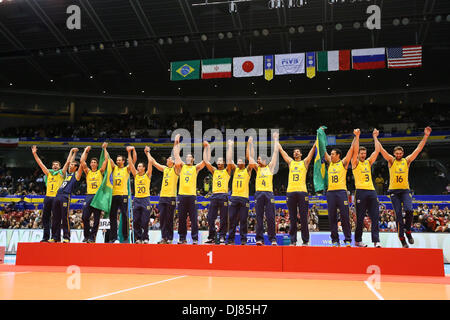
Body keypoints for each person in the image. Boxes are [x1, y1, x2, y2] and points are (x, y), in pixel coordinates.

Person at [379, 126, 432, 248]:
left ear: (402, 153)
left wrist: (426, 136)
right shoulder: (391, 161)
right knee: (398, 215)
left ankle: (408, 231)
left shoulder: (407, 161)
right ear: (394, 154)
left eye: (400, 153)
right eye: (396, 153)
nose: (398, 154)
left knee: (409, 210)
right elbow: (381, 150)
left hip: (405, 191)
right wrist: (375, 138)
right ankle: (402, 239)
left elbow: (418, 149)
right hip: (393, 192)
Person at [277, 140, 316, 246]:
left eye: (298, 151)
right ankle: (293, 241)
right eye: (294, 152)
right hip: (290, 192)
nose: (296, 153)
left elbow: (312, 151)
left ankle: (305, 241)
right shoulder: (291, 162)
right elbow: (281, 151)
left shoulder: (305, 162)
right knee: (292, 218)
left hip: (302, 192)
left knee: (304, 218)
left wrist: (316, 141)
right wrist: (276, 140)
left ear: (301, 154)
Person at [323, 129, 356, 247]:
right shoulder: (330, 163)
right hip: (330, 193)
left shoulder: (343, 163)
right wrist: (320, 135)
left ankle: (347, 239)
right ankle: (335, 241)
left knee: (345, 216)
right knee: (332, 217)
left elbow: (352, 150)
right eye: (330, 154)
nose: (330, 155)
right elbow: (323, 150)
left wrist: (356, 137)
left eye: (332, 154)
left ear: (338, 155)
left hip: (341, 192)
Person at [351, 129, 382, 248]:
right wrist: (357, 137)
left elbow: (377, 150)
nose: (363, 155)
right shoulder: (355, 163)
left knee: (375, 217)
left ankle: (376, 241)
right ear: (358, 154)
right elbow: (354, 150)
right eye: (361, 153)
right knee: (360, 219)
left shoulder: (368, 162)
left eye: (364, 153)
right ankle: (358, 241)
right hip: (360, 192)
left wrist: (375, 137)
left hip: (372, 192)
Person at [247, 132, 280, 246]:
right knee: (259, 217)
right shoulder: (257, 169)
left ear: (265, 160)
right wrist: (249, 144)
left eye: (260, 159)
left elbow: (275, 152)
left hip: (269, 193)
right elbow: (249, 158)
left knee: (271, 217)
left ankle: (273, 239)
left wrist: (276, 139)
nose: (258, 160)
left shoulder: (270, 167)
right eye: (258, 159)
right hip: (259, 193)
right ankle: (259, 239)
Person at [50, 147, 88, 243]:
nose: (70, 166)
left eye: (72, 165)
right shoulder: (66, 174)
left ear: (75, 167)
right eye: (70, 165)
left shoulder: (76, 174)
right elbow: (69, 161)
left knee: (64, 217)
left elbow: (81, 163)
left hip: (66, 196)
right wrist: (73, 152)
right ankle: (55, 237)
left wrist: (85, 151)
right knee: (55, 217)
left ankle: (66, 237)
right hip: (57, 195)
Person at [173, 134, 206, 244]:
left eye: (189, 157)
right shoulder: (182, 166)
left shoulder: (195, 168)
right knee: (181, 218)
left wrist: (206, 148)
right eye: (186, 157)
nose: (187, 158)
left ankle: (195, 238)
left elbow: (205, 162)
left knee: (193, 218)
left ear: (193, 159)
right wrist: (176, 142)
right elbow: (176, 154)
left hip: (192, 196)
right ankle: (182, 238)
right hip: (182, 195)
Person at [31, 145, 68, 242]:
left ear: (59, 167)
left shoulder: (61, 174)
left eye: (57, 165)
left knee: (56, 218)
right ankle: (45, 237)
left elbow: (67, 163)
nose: (55, 166)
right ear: (52, 166)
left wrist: (72, 153)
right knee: (45, 218)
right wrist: (34, 153)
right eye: (53, 165)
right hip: (48, 197)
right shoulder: (49, 173)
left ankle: (55, 237)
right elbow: (40, 163)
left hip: (57, 198)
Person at [203, 141, 232, 244]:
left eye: (221, 160)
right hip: (214, 196)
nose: (219, 162)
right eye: (218, 160)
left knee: (224, 218)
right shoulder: (214, 171)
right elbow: (206, 161)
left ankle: (222, 236)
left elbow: (229, 160)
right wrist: (207, 148)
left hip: (224, 196)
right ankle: (211, 236)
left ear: (223, 162)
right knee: (210, 217)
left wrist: (229, 146)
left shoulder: (227, 171)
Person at [148, 147, 179, 244]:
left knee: (169, 218)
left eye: (169, 159)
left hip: (171, 197)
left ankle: (169, 238)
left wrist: (176, 145)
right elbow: (154, 162)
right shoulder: (165, 169)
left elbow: (177, 159)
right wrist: (148, 152)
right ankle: (164, 237)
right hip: (162, 197)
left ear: (173, 161)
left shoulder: (176, 169)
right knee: (162, 218)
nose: (167, 159)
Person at [107, 145, 137, 243]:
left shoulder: (127, 169)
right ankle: (113, 237)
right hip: (114, 195)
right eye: (117, 160)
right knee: (112, 216)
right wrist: (104, 149)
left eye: (120, 160)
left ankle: (125, 237)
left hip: (123, 195)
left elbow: (134, 160)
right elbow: (108, 159)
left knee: (124, 215)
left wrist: (130, 151)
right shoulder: (114, 168)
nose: (118, 161)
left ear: (123, 161)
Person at [226, 139, 254, 245]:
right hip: (234, 197)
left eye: (241, 160)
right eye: (238, 160)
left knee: (243, 220)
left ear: (244, 163)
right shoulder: (235, 169)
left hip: (244, 198)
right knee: (232, 219)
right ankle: (230, 240)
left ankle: (243, 240)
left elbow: (250, 159)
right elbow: (229, 160)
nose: (239, 161)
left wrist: (249, 145)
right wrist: (230, 146)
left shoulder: (247, 170)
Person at [80, 143, 108, 243]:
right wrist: (86, 151)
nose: (92, 163)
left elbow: (106, 160)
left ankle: (92, 237)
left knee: (96, 219)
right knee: (84, 217)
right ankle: (86, 236)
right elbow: (82, 161)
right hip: (89, 196)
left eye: (94, 162)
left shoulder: (100, 171)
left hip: (98, 197)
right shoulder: (88, 172)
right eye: (91, 162)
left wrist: (104, 149)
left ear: (97, 164)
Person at [129, 146, 152, 244]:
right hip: (137, 199)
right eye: (137, 166)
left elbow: (150, 162)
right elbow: (130, 164)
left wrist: (148, 152)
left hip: (145, 199)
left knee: (145, 221)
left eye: (139, 166)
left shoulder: (147, 175)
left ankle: (145, 237)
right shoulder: (135, 175)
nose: (138, 168)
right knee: (136, 221)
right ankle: (138, 238)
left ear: (144, 168)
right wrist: (130, 152)